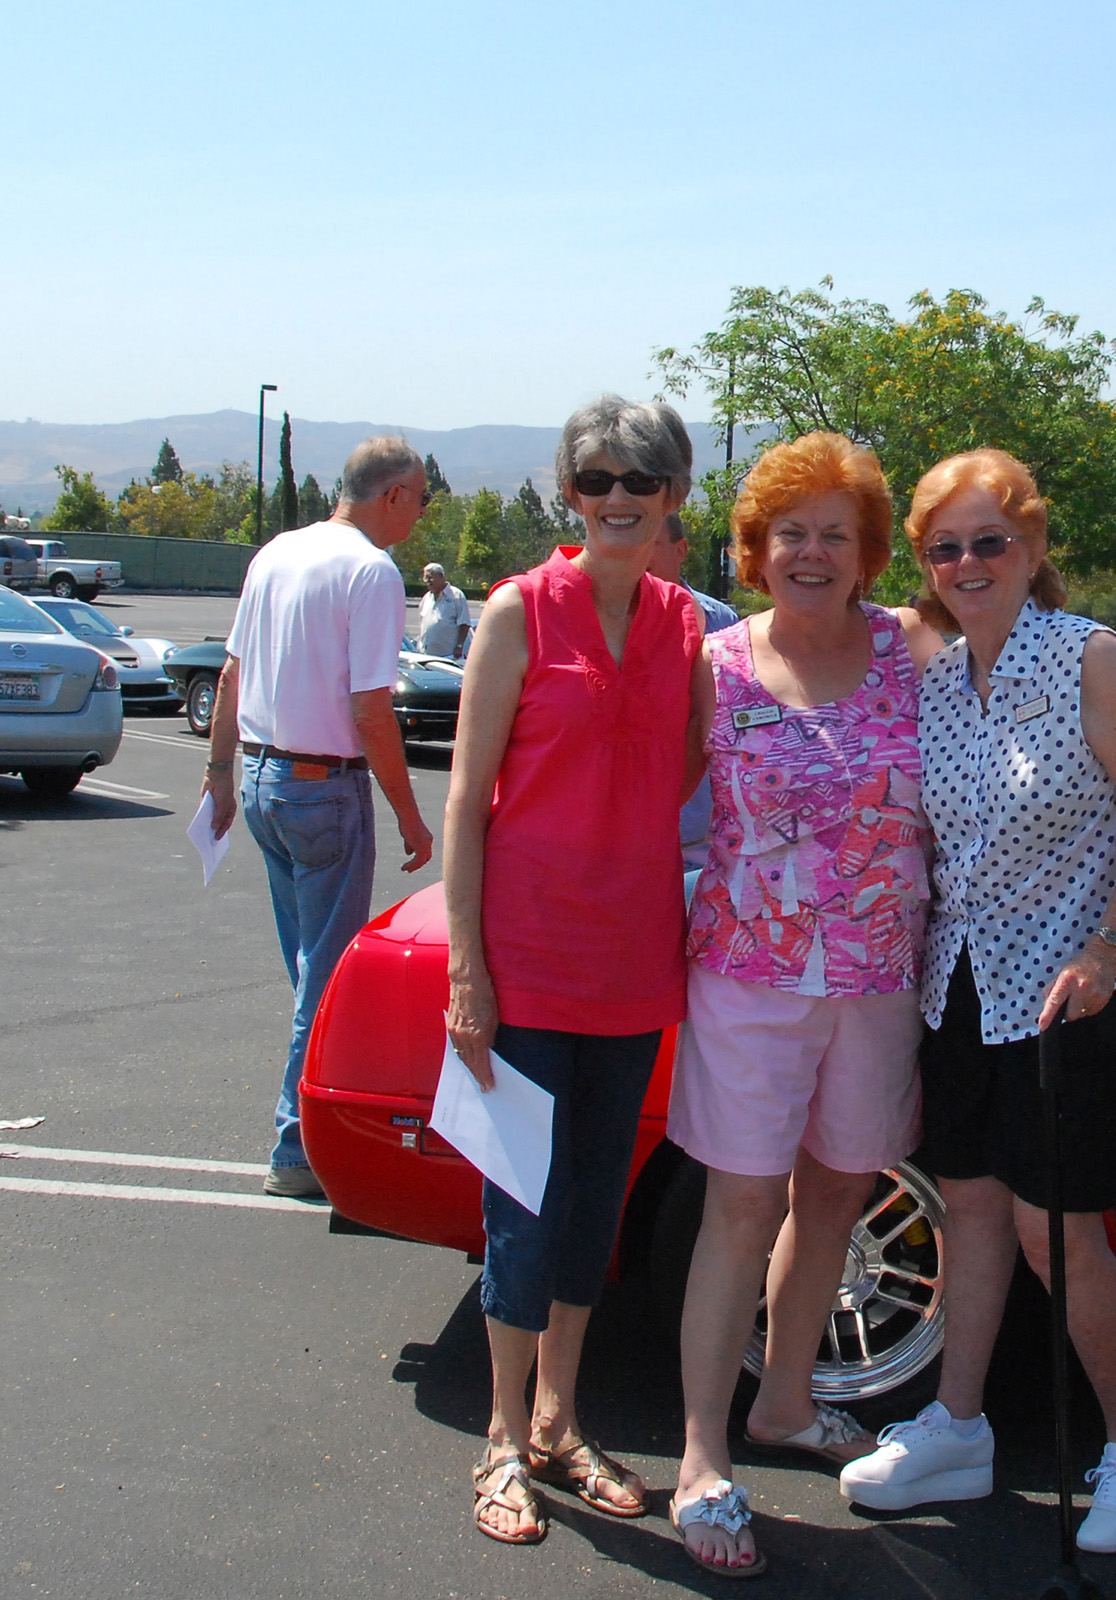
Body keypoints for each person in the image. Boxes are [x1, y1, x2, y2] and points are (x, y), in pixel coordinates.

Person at [839, 448, 1116, 1556]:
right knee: (974, 1207)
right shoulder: (937, 677)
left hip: (1087, 989)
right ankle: (957, 1425)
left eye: (991, 540)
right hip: (965, 981)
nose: (967, 562)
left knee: (1053, 1224)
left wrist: (1104, 944)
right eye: (946, 546)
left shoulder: (1088, 657)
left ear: (1033, 549)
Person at [440, 396, 710, 1547]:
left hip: (636, 961)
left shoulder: (688, 626)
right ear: (571, 493)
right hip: (527, 959)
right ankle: (502, 1439)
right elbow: (466, 797)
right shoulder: (517, 612)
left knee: (594, 1202)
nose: (615, 497)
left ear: (670, 501)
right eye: (596, 479)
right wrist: (466, 968)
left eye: (637, 481)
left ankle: (559, 1419)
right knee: (521, 1208)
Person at [667, 435, 929, 1579]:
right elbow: (635, 793)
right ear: (757, 548)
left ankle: (783, 1404)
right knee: (740, 1208)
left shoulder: (913, 648)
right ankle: (699, 1458)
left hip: (879, 981)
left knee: (832, 1198)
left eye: (834, 532)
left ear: (868, 552)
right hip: (749, 981)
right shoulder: (712, 666)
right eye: (791, 532)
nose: (811, 552)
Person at [201, 436, 436, 1197]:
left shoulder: (276, 554)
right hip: (323, 787)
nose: (421, 515)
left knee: (309, 970)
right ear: (393, 494)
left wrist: (219, 773)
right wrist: (408, 812)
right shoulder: (370, 571)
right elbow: (371, 709)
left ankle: (303, 1138)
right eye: (422, 500)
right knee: (326, 981)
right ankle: (296, 1147)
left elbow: (233, 672)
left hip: (270, 778)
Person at [648, 511, 741, 869]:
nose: (640, 554)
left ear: (680, 550)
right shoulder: (610, 619)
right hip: (633, 832)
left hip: (702, 835)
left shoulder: (721, 624)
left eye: (652, 544)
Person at [420, 562, 470, 659]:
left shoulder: (456, 595)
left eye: (430, 577)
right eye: (425, 578)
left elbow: (464, 624)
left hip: (448, 656)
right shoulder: (426, 597)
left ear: (441, 576)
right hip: (426, 655)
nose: (427, 581)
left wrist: (459, 646)